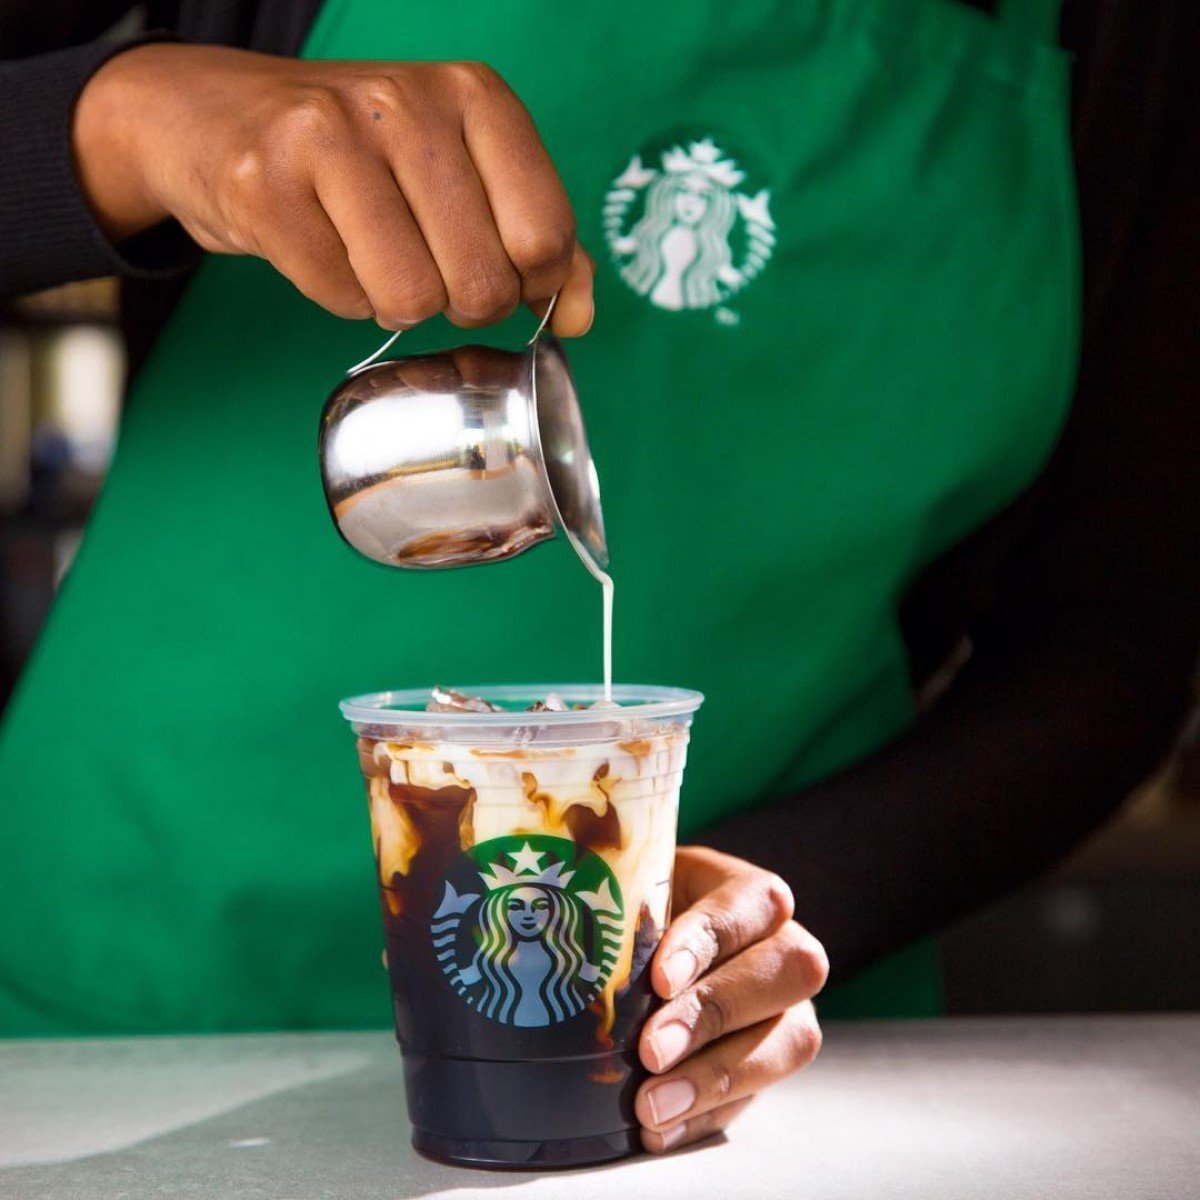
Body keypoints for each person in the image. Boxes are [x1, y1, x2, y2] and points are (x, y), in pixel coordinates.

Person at [1, 0, 1197, 1158]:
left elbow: (1113, 647)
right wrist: (118, 125)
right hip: (118, 1009)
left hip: (698, 1072)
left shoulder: (1127, 33)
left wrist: (792, 892)